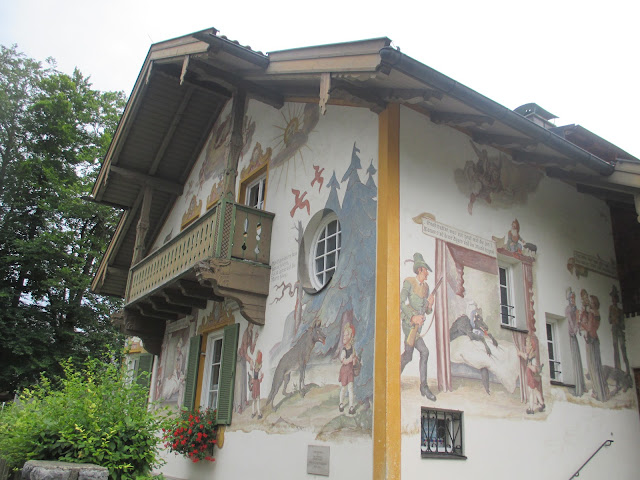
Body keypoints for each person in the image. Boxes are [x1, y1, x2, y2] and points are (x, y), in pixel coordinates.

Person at [400, 252, 436, 401]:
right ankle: (422, 386)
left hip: (419, 328)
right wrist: (413, 317)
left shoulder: (426, 287)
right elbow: (400, 302)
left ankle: (423, 386)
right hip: (409, 324)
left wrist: (430, 304)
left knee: (412, 355)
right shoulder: (408, 282)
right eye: (426, 269)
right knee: (418, 353)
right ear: (420, 269)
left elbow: (426, 310)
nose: (427, 273)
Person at [580, 294, 609, 401]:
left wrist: (581, 323)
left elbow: (588, 328)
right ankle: (601, 391)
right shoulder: (597, 314)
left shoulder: (592, 315)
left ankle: (598, 392)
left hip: (591, 341)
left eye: (591, 302)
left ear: (594, 304)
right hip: (595, 339)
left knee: (593, 366)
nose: (590, 304)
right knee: (596, 366)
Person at [516, 333, 545, 414]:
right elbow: (524, 355)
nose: (526, 348)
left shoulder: (533, 358)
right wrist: (519, 353)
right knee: (535, 390)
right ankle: (542, 404)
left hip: (532, 376)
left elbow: (535, 369)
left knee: (531, 391)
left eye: (528, 346)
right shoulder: (529, 356)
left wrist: (530, 366)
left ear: (531, 348)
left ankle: (531, 408)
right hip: (531, 376)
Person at [565, 288, 586, 397]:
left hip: (574, 335)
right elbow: (569, 321)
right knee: (573, 358)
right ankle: (577, 385)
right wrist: (575, 329)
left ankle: (581, 385)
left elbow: (577, 321)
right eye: (571, 297)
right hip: (570, 335)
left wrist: (578, 326)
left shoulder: (575, 309)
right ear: (568, 299)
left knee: (577, 358)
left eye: (574, 297)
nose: (573, 299)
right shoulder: (568, 309)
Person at [236, 323, 258, 413]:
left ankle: (243, 402)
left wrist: (256, 338)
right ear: (248, 324)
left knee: (244, 380)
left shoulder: (251, 332)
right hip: (240, 359)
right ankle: (238, 406)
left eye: (253, 325)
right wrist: (250, 361)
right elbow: (245, 352)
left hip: (244, 359)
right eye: (251, 324)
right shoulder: (245, 334)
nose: (252, 326)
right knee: (239, 381)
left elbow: (251, 350)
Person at [609, 285, 630, 375]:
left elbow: (623, 325)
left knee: (622, 348)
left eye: (615, 298)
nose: (614, 300)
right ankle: (618, 368)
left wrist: (618, 322)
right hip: (614, 330)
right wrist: (614, 320)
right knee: (615, 348)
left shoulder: (620, 311)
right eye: (613, 299)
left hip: (619, 331)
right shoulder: (611, 309)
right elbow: (609, 320)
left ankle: (627, 369)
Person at [338, 323, 357, 415]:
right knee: (343, 388)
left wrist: (354, 360)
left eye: (347, 335)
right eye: (344, 335)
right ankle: (341, 403)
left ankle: (351, 406)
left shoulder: (353, 349)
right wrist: (350, 359)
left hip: (350, 371)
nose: (344, 337)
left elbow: (353, 363)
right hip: (345, 371)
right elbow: (343, 360)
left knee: (351, 389)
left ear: (351, 336)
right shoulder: (344, 350)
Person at [249, 351, 264, 419]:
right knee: (256, 400)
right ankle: (256, 413)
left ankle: (256, 413)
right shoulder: (256, 371)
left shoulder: (257, 371)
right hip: (256, 385)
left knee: (256, 400)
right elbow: (256, 379)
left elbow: (257, 379)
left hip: (256, 386)